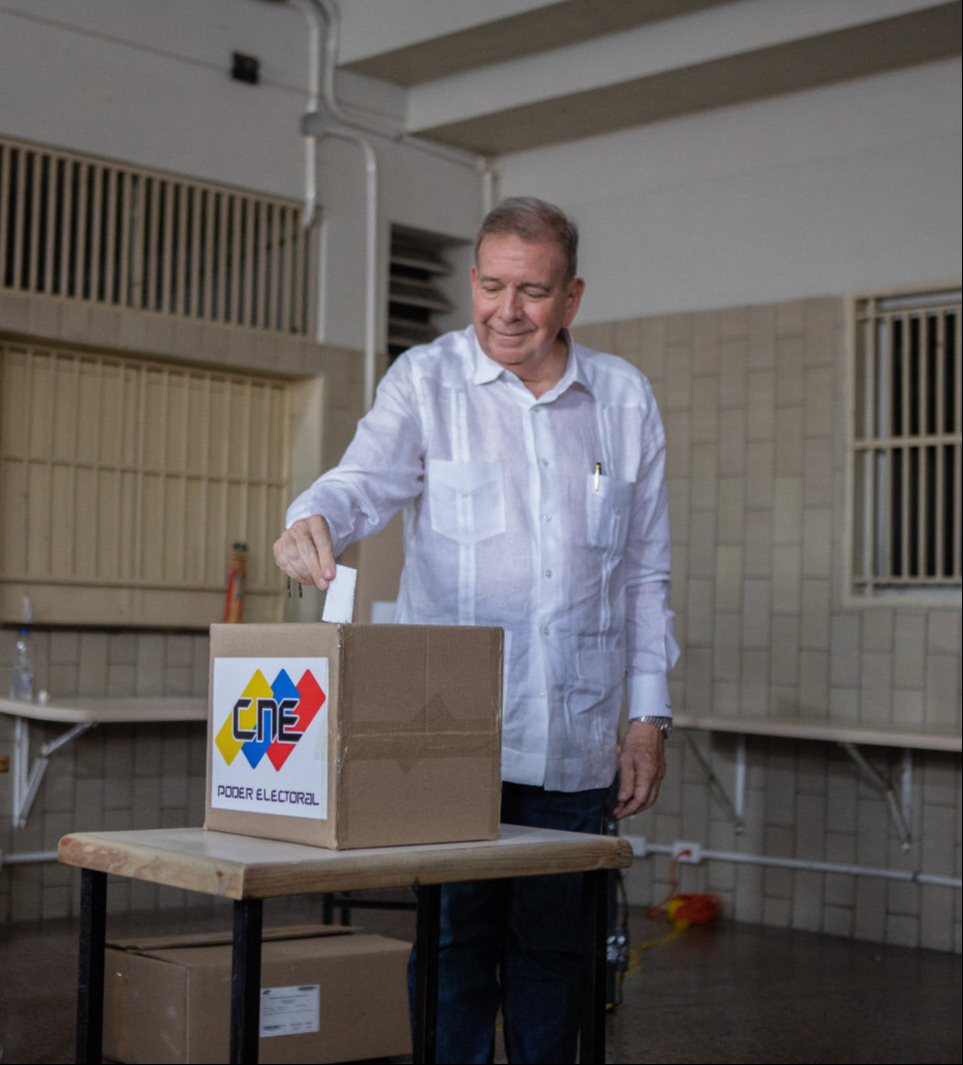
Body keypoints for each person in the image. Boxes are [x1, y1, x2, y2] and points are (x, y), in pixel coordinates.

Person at [273, 196, 679, 1064]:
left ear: (571, 296)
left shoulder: (623, 399)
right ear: (471, 282)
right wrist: (312, 517)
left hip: (573, 744)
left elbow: (645, 574)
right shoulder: (427, 380)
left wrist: (648, 719)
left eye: (531, 291)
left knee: (554, 957)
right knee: (453, 949)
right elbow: (360, 482)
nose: (508, 310)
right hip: (449, 737)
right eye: (491, 285)